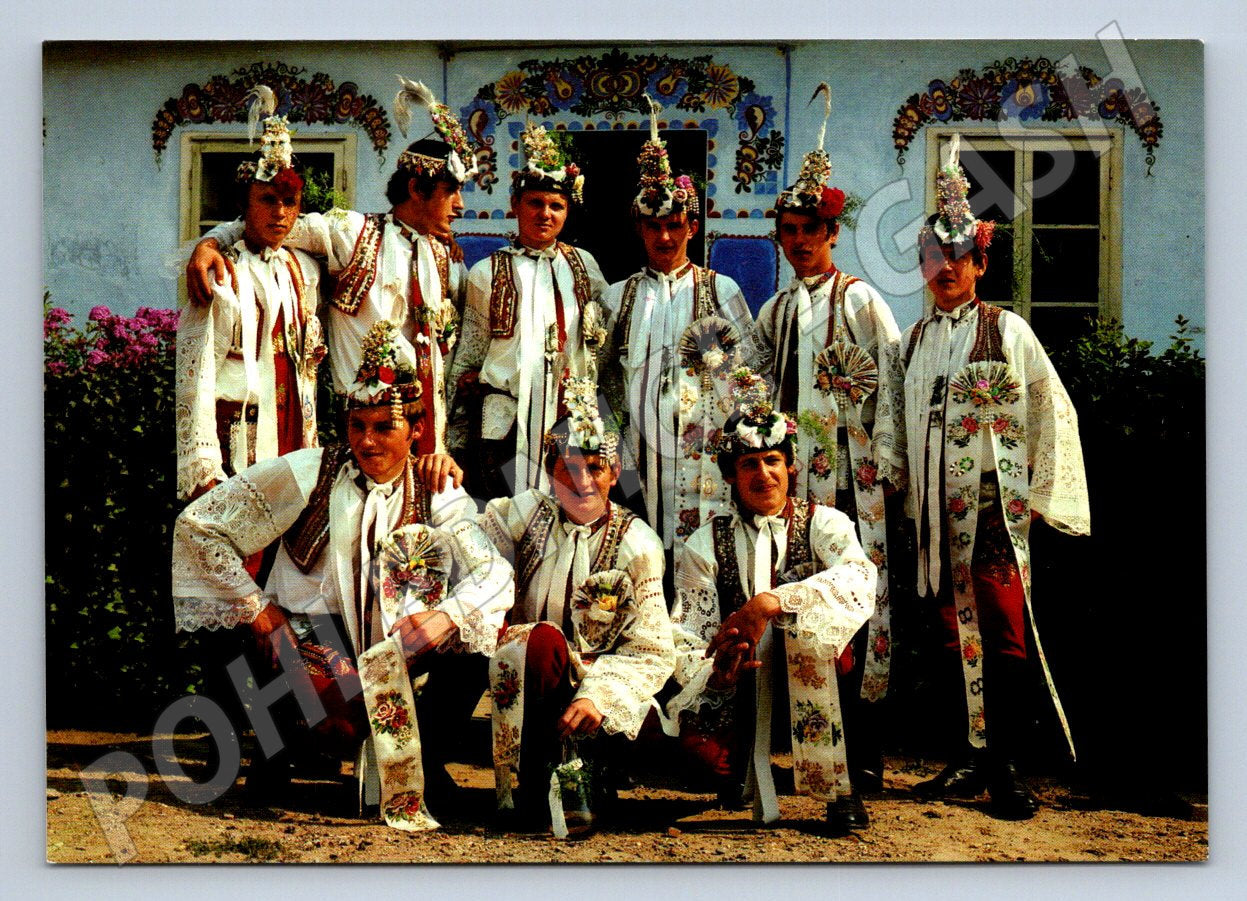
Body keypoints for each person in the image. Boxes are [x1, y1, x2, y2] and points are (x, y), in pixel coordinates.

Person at [171, 319, 513, 829]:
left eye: (384, 428)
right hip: (314, 633)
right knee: (336, 724)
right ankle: (279, 746)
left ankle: (424, 758)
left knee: (481, 636)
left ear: (416, 430)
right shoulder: (310, 471)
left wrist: (445, 617)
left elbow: (493, 572)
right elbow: (199, 527)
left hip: (398, 646)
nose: (369, 442)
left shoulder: (438, 490)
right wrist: (261, 610)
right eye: (358, 427)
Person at [897, 135, 1090, 820]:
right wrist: (897, 486)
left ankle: (1007, 763)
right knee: (950, 630)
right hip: (932, 514)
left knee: (1004, 630)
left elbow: (1049, 407)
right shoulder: (913, 340)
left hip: (989, 511)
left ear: (978, 262)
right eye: (932, 257)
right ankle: (968, 756)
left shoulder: (1005, 331)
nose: (944, 268)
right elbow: (897, 419)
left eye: (957, 256)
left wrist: (1038, 496)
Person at [186, 77, 474, 456]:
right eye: (451, 192)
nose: (460, 206)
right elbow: (276, 225)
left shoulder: (445, 259)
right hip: (363, 431)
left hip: (427, 432)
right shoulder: (352, 233)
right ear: (417, 190)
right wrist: (210, 243)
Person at [754, 83, 902, 791]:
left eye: (811, 230)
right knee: (796, 594)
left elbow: (893, 382)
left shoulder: (863, 299)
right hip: (793, 484)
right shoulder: (775, 309)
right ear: (779, 238)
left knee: (855, 596)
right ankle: (802, 737)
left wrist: (889, 459)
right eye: (789, 231)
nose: (800, 242)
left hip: (850, 472)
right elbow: (749, 387)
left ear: (831, 234)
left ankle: (862, 744)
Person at [664, 366, 876, 836]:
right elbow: (687, 630)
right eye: (749, 465)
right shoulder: (704, 542)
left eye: (773, 461)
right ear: (730, 476)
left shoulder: (826, 522)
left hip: (815, 674)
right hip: (742, 677)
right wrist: (717, 668)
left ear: (791, 466)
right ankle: (743, 766)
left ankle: (837, 784)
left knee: (812, 635)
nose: (763, 474)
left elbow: (860, 576)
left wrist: (769, 603)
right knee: (702, 770)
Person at [480, 373, 674, 835]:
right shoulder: (526, 512)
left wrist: (598, 694)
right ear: (551, 472)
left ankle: (583, 778)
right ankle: (527, 785)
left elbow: (651, 648)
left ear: (615, 470)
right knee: (542, 641)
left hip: (599, 680)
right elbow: (474, 541)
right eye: (568, 469)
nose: (582, 482)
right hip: (529, 668)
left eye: (595, 468)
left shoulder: (637, 543)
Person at [599, 95, 760, 559]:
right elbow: (602, 378)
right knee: (639, 552)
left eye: (674, 225)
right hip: (636, 452)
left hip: (705, 451)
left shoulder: (721, 289)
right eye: (653, 227)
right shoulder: (619, 295)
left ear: (692, 226)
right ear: (639, 228)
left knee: (704, 556)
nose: (664, 237)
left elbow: (753, 375)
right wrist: (613, 449)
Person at [175, 86, 325, 502]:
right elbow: (197, 371)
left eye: (289, 202)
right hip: (237, 429)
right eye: (267, 200)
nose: (279, 212)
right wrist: (203, 462)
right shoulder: (223, 271)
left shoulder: (304, 269)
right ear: (246, 205)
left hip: (294, 421)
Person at [448, 122, 608, 499]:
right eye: (535, 203)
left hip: (571, 421)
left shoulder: (584, 266)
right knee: (502, 514)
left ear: (568, 212)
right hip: (504, 424)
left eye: (556, 206)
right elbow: (468, 354)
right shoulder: (487, 271)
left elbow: (603, 341)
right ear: (516, 205)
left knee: (569, 515)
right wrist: (453, 436)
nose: (545, 214)